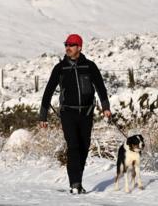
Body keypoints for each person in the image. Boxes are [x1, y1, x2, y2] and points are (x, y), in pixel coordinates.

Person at [39, 34, 111, 194]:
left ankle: (78, 181)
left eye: (71, 45)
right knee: (73, 146)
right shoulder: (60, 68)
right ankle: (75, 184)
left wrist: (106, 107)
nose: (67, 48)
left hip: (86, 113)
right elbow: (48, 92)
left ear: (79, 47)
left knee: (84, 147)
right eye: (66, 44)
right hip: (68, 113)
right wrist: (43, 116)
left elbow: (100, 87)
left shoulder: (89, 66)